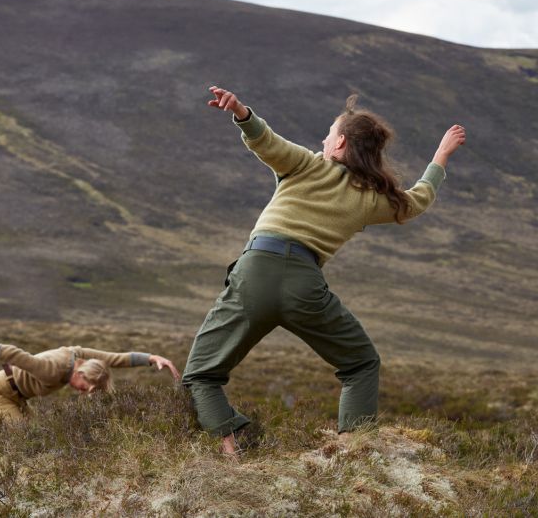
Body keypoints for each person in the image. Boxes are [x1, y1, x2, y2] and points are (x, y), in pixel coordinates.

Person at [182, 86, 466, 455]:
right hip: (304, 285)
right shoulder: (370, 197)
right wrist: (441, 156)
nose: (322, 139)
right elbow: (417, 201)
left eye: (329, 134)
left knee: (201, 375)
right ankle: (352, 453)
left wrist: (241, 112)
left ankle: (231, 450)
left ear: (340, 144)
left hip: (256, 273)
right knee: (362, 363)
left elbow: (266, 141)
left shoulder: (307, 164)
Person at [0, 318, 181, 424]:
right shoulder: (52, 370)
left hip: (18, 396)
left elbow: (115, 358)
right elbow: (17, 355)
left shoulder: (79, 356)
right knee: (25, 439)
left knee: (38, 437)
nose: (84, 393)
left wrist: (152, 358)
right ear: (80, 375)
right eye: (86, 388)